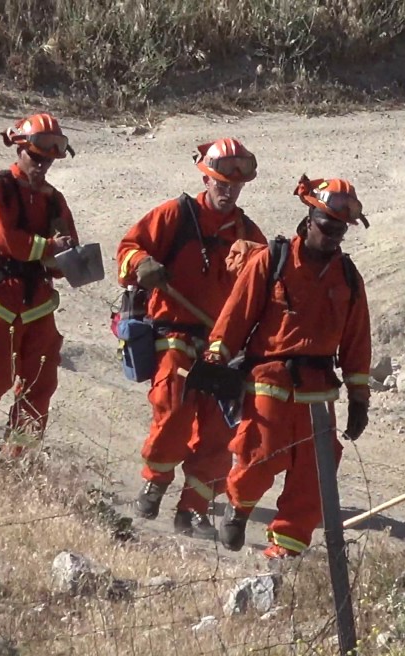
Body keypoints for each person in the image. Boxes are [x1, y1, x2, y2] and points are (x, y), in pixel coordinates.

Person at [205, 176, 372, 561]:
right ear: (309, 219)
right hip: (270, 380)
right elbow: (235, 316)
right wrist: (216, 357)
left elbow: (357, 342)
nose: (332, 237)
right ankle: (239, 506)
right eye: (327, 227)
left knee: (316, 473)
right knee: (259, 455)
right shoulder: (272, 260)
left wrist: (359, 399)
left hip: (319, 391)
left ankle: (285, 553)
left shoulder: (348, 278)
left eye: (340, 231)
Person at [116, 138, 267, 539]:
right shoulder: (175, 215)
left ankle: (193, 510)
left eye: (236, 184)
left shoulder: (250, 235)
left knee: (220, 432)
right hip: (175, 334)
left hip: (223, 347)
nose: (228, 190)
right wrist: (142, 264)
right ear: (206, 177)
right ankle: (155, 483)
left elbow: (268, 291)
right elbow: (129, 247)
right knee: (173, 411)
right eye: (221, 182)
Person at [0, 113, 79, 454]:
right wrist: (51, 247)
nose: (42, 165)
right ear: (20, 149)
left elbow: (65, 256)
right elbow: (4, 240)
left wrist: (67, 255)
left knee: (40, 385)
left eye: (49, 160)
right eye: (37, 157)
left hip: (38, 302)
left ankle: (16, 459)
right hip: (0, 297)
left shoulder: (54, 199)